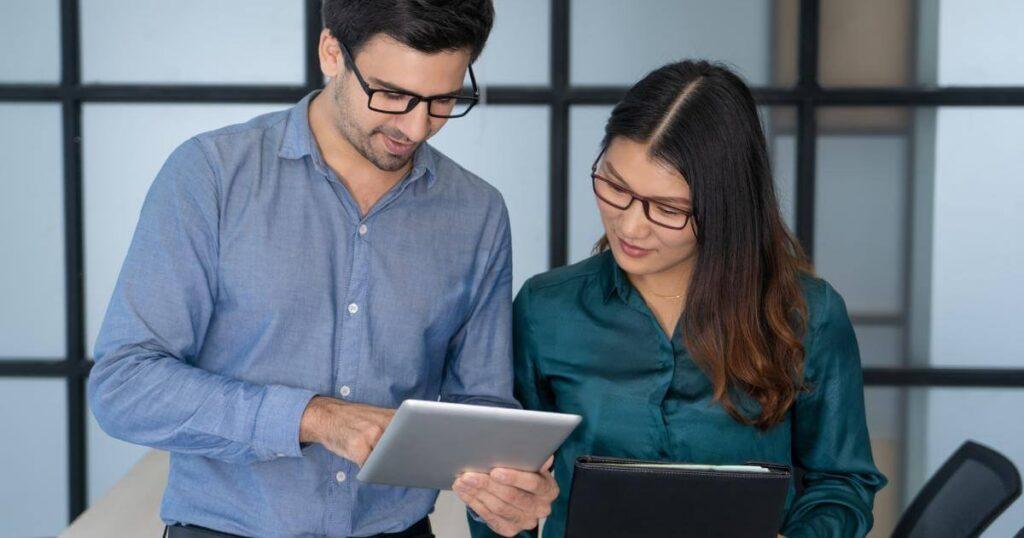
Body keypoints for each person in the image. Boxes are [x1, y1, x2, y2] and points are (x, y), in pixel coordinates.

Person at [88, 2, 556, 536]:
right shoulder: (211, 176)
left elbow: (482, 409)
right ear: (332, 53)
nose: (418, 125)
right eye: (393, 95)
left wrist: (503, 489)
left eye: (443, 99)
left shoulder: (478, 212)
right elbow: (124, 386)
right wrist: (314, 417)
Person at [468, 60, 887, 538]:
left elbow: (843, 481)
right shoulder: (546, 311)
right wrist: (500, 510)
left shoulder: (807, 315)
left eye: (668, 209)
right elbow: (502, 489)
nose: (629, 226)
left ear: (725, 207)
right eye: (615, 187)